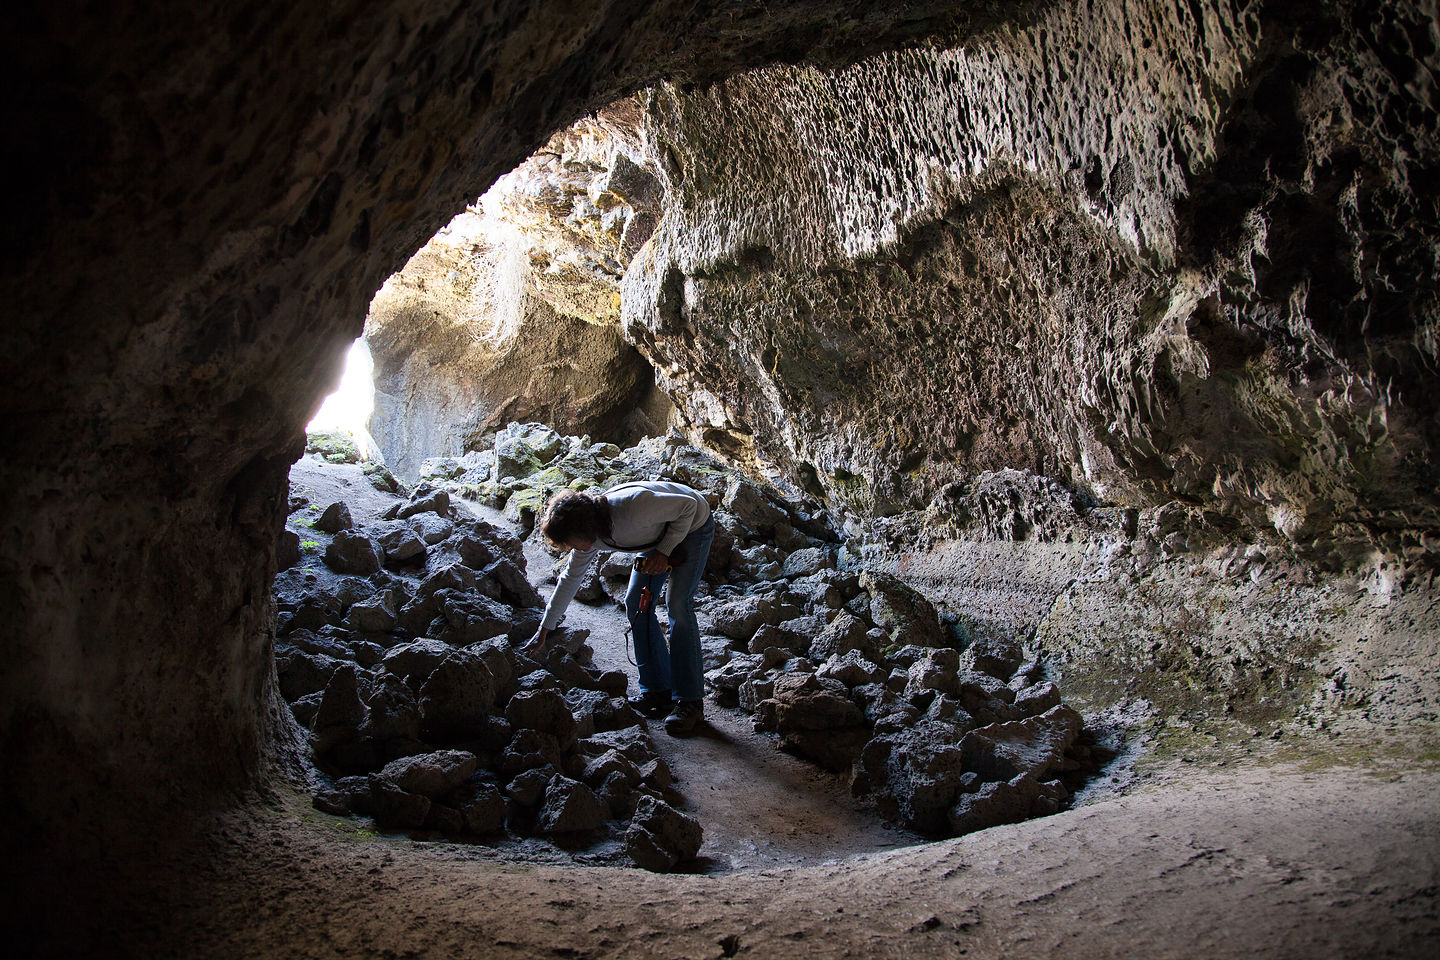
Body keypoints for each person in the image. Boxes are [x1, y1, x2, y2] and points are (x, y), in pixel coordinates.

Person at [526, 480, 715, 736]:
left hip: (693, 524)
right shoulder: (591, 536)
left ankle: (690, 701)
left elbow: (689, 506)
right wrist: (545, 626)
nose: (572, 549)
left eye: (571, 542)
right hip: (656, 534)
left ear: (583, 529)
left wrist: (664, 551)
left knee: (678, 604)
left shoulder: (633, 508)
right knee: (636, 602)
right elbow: (570, 578)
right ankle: (658, 692)